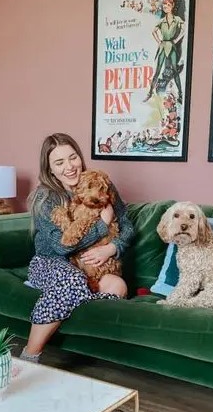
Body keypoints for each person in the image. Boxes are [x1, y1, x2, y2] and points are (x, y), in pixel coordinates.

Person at [21, 133, 134, 362]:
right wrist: (102, 226)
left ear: (80, 157)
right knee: (72, 280)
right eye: (59, 162)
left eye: (73, 158)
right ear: (50, 169)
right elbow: (61, 247)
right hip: (51, 262)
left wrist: (112, 248)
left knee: (118, 286)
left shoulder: (101, 184)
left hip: (92, 268)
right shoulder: (45, 198)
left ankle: (66, 296)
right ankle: (28, 356)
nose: (70, 167)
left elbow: (127, 225)